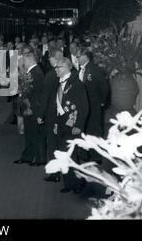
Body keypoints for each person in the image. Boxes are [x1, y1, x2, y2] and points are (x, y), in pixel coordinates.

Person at [53, 57, 89, 194]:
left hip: (73, 125)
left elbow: (84, 107)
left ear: (66, 68)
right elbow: (58, 106)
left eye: (58, 67)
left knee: (70, 155)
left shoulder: (76, 84)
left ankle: (78, 182)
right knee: (64, 154)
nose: (55, 70)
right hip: (62, 124)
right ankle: (70, 182)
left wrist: (79, 125)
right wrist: (56, 123)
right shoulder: (60, 83)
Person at [14, 51, 45, 166]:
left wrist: (26, 100)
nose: (22, 63)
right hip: (30, 106)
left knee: (35, 133)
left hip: (33, 107)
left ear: (29, 60)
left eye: (23, 61)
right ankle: (28, 156)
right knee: (29, 132)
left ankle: (39, 159)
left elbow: (34, 91)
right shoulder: (31, 71)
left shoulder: (35, 72)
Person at [39, 50, 61, 182]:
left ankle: (55, 173)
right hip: (63, 113)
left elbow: (45, 97)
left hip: (52, 113)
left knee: (52, 143)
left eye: (50, 59)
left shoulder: (50, 75)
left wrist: (40, 115)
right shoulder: (71, 71)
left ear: (54, 59)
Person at [78, 49, 109, 138]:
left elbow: (104, 86)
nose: (77, 58)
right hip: (85, 103)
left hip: (94, 103)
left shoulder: (95, 69)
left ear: (85, 57)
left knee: (95, 127)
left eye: (78, 56)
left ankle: (97, 146)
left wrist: (102, 101)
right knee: (88, 127)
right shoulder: (81, 69)